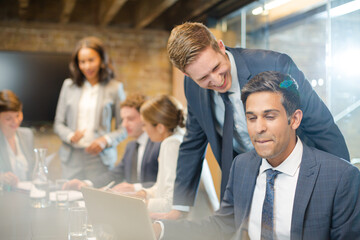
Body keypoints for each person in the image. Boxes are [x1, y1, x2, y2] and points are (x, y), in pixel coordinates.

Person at [163, 22, 350, 219]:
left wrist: (347, 183)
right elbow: (193, 142)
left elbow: (320, 124)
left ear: (220, 46)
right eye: (203, 78)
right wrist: (180, 207)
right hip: (244, 179)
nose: (217, 80)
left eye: (217, 67)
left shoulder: (275, 64)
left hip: (297, 172)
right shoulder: (191, 88)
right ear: (187, 75)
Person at [154, 71, 360, 240]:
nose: (259, 128)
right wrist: (161, 230)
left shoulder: (340, 177)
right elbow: (221, 225)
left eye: (270, 117)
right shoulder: (242, 166)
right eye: (251, 118)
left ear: (295, 119)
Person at [54, 36, 127, 180]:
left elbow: (124, 128)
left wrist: (104, 140)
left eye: (91, 60)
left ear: (101, 60)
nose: (87, 66)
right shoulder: (68, 86)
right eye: (82, 62)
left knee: (98, 200)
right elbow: (58, 123)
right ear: (77, 64)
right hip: (72, 157)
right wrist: (70, 136)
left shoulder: (115, 88)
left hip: (100, 158)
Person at [63, 93, 160, 190]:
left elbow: (165, 184)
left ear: (145, 117)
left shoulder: (159, 144)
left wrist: (135, 187)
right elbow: (115, 175)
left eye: (130, 119)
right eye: (123, 119)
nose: (124, 124)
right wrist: (87, 184)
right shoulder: (131, 146)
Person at [126, 95, 185, 213]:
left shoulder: (171, 144)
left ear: (160, 127)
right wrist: (144, 193)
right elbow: (162, 187)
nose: (143, 130)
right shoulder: (175, 139)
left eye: (144, 125)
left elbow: (170, 203)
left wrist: (139, 204)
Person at [0, 90, 34, 187]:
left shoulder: (27, 135)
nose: (15, 121)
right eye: (8, 118)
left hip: (26, 194)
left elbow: (32, 171)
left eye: (18, 115)